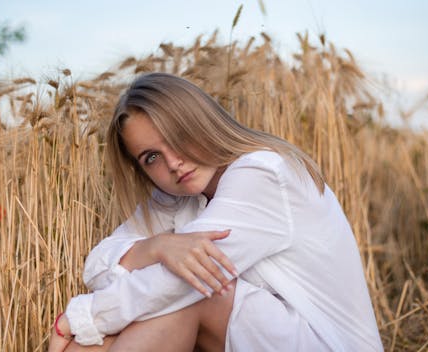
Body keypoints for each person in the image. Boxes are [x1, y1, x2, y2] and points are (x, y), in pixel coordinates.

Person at [48, 72, 383, 351]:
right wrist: (156, 247)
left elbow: (177, 284)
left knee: (199, 288)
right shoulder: (178, 197)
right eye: (152, 157)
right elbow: (96, 267)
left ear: (200, 121)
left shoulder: (262, 174)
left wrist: (81, 317)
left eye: (177, 136)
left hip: (328, 344)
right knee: (161, 297)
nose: (174, 163)